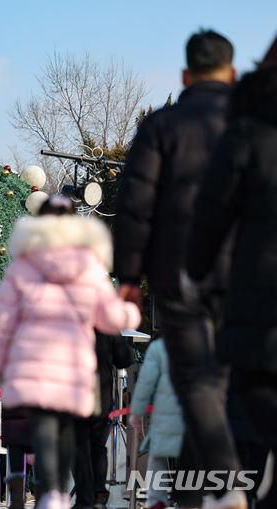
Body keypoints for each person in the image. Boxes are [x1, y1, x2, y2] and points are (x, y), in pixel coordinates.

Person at [112, 29, 246, 509]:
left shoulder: (161, 127)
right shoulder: (251, 123)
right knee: (220, 382)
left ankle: (225, 484)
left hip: (178, 274)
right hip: (244, 274)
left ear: (186, 74)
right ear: (231, 73)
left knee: (194, 382)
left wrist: (128, 278)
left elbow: (135, 207)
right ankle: (204, 493)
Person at [0, 195, 141, 509]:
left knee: (42, 433)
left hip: (31, 372)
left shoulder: (22, 268)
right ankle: (59, 493)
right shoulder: (89, 267)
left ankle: (49, 492)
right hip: (74, 374)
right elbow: (112, 318)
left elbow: (1, 322)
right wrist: (130, 310)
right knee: (69, 435)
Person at [185, 47, 277, 509]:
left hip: (259, 288)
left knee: (251, 383)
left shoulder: (249, 130)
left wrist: (195, 269)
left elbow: (212, 213)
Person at [72, 332, 134, 509]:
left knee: (78, 445)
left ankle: (84, 498)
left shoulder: (69, 316)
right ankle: (98, 497)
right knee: (97, 445)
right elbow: (124, 359)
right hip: (100, 390)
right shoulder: (106, 322)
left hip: (74, 389)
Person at [128, 337, 185, 509]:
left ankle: (156, 500)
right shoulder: (201, 340)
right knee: (188, 457)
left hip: (165, 415)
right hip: (194, 412)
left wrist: (136, 412)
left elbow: (145, 384)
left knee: (157, 456)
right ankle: (186, 501)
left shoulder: (158, 347)